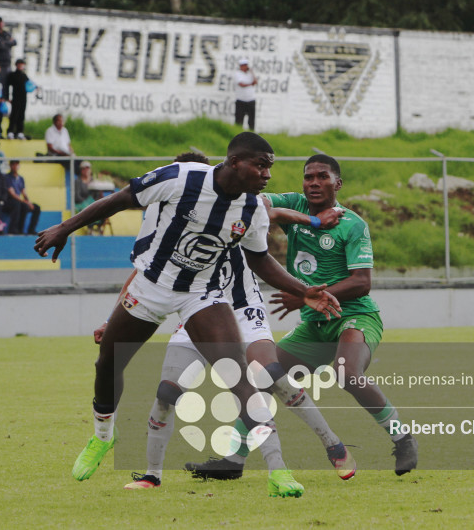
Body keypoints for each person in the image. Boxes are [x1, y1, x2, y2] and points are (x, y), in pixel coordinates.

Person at [33, 132, 342, 498]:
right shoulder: (182, 178)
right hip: (151, 287)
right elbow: (120, 199)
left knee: (240, 379)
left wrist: (301, 289)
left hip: (201, 293)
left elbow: (259, 259)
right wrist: (65, 228)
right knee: (108, 365)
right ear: (234, 163)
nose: (267, 175)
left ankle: (279, 471)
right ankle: (103, 436)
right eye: (260, 165)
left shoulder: (252, 209)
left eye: (269, 168)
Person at [116, 152, 354, 490]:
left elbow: (269, 211)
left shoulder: (236, 202)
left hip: (242, 307)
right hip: (196, 307)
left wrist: (312, 223)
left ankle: (327, 445)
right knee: (167, 392)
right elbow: (147, 269)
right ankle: (152, 475)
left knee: (269, 376)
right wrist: (117, 309)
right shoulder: (177, 215)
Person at [255, 154, 418, 476]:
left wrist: (304, 294)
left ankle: (402, 439)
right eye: (308, 177)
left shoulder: (353, 224)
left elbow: (362, 282)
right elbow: (256, 205)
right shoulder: (295, 205)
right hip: (315, 324)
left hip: (353, 316)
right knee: (260, 380)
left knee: (347, 373)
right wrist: (310, 221)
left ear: (337, 183)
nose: (314, 183)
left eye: (322, 177)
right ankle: (232, 458)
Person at [5, 160, 41, 235]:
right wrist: (24, 202)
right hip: (11, 200)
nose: (15, 166)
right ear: (10, 166)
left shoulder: (21, 178)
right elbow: (12, 193)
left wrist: (29, 202)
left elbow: (24, 192)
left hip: (19, 201)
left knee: (36, 207)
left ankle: (31, 229)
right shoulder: (7, 177)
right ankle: (17, 229)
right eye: (13, 164)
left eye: (16, 164)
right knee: (22, 206)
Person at [4, 59, 29, 139]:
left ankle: (19, 131)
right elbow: (7, 86)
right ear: (16, 65)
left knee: (21, 115)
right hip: (16, 98)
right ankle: (10, 131)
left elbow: (29, 85)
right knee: (14, 114)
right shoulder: (12, 75)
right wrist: (7, 97)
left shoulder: (24, 75)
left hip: (23, 98)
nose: (21, 66)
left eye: (22, 65)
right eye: (19, 64)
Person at [234, 58, 257, 131]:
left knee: (251, 121)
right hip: (241, 100)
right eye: (243, 65)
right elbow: (241, 84)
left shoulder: (250, 74)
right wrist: (250, 84)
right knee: (239, 120)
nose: (245, 67)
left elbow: (255, 82)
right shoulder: (237, 74)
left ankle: (251, 133)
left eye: (246, 65)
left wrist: (252, 72)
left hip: (250, 100)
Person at [0, 17, 17, 83]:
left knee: (7, 83)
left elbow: (14, 42)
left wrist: (4, 42)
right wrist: (7, 42)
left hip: (7, 63)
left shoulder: (6, 33)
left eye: (1, 22)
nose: (0, 24)